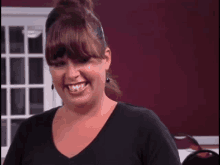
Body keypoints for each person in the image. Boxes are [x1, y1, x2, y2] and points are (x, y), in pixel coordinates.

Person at [3, 0, 181, 164]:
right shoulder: (29, 133)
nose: (71, 74)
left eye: (82, 60)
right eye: (59, 64)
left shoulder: (145, 128)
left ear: (106, 58)